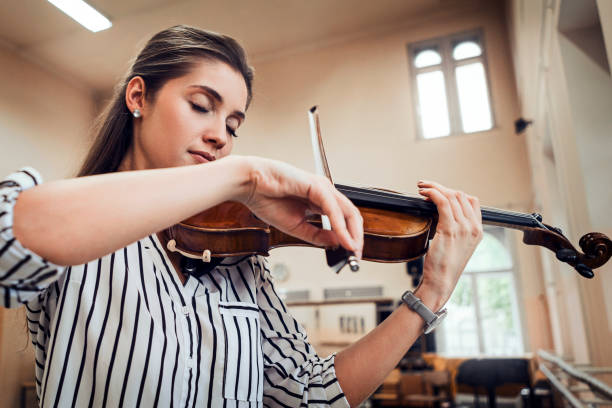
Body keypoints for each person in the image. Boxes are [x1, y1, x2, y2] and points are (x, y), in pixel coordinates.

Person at [0, 25, 482, 407]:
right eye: (201, 106)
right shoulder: (70, 218)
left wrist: (430, 294)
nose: (220, 137)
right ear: (137, 98)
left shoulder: (240, 263)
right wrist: (244, 177)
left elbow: (311, 396)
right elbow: (7, 239)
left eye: (233, 125)